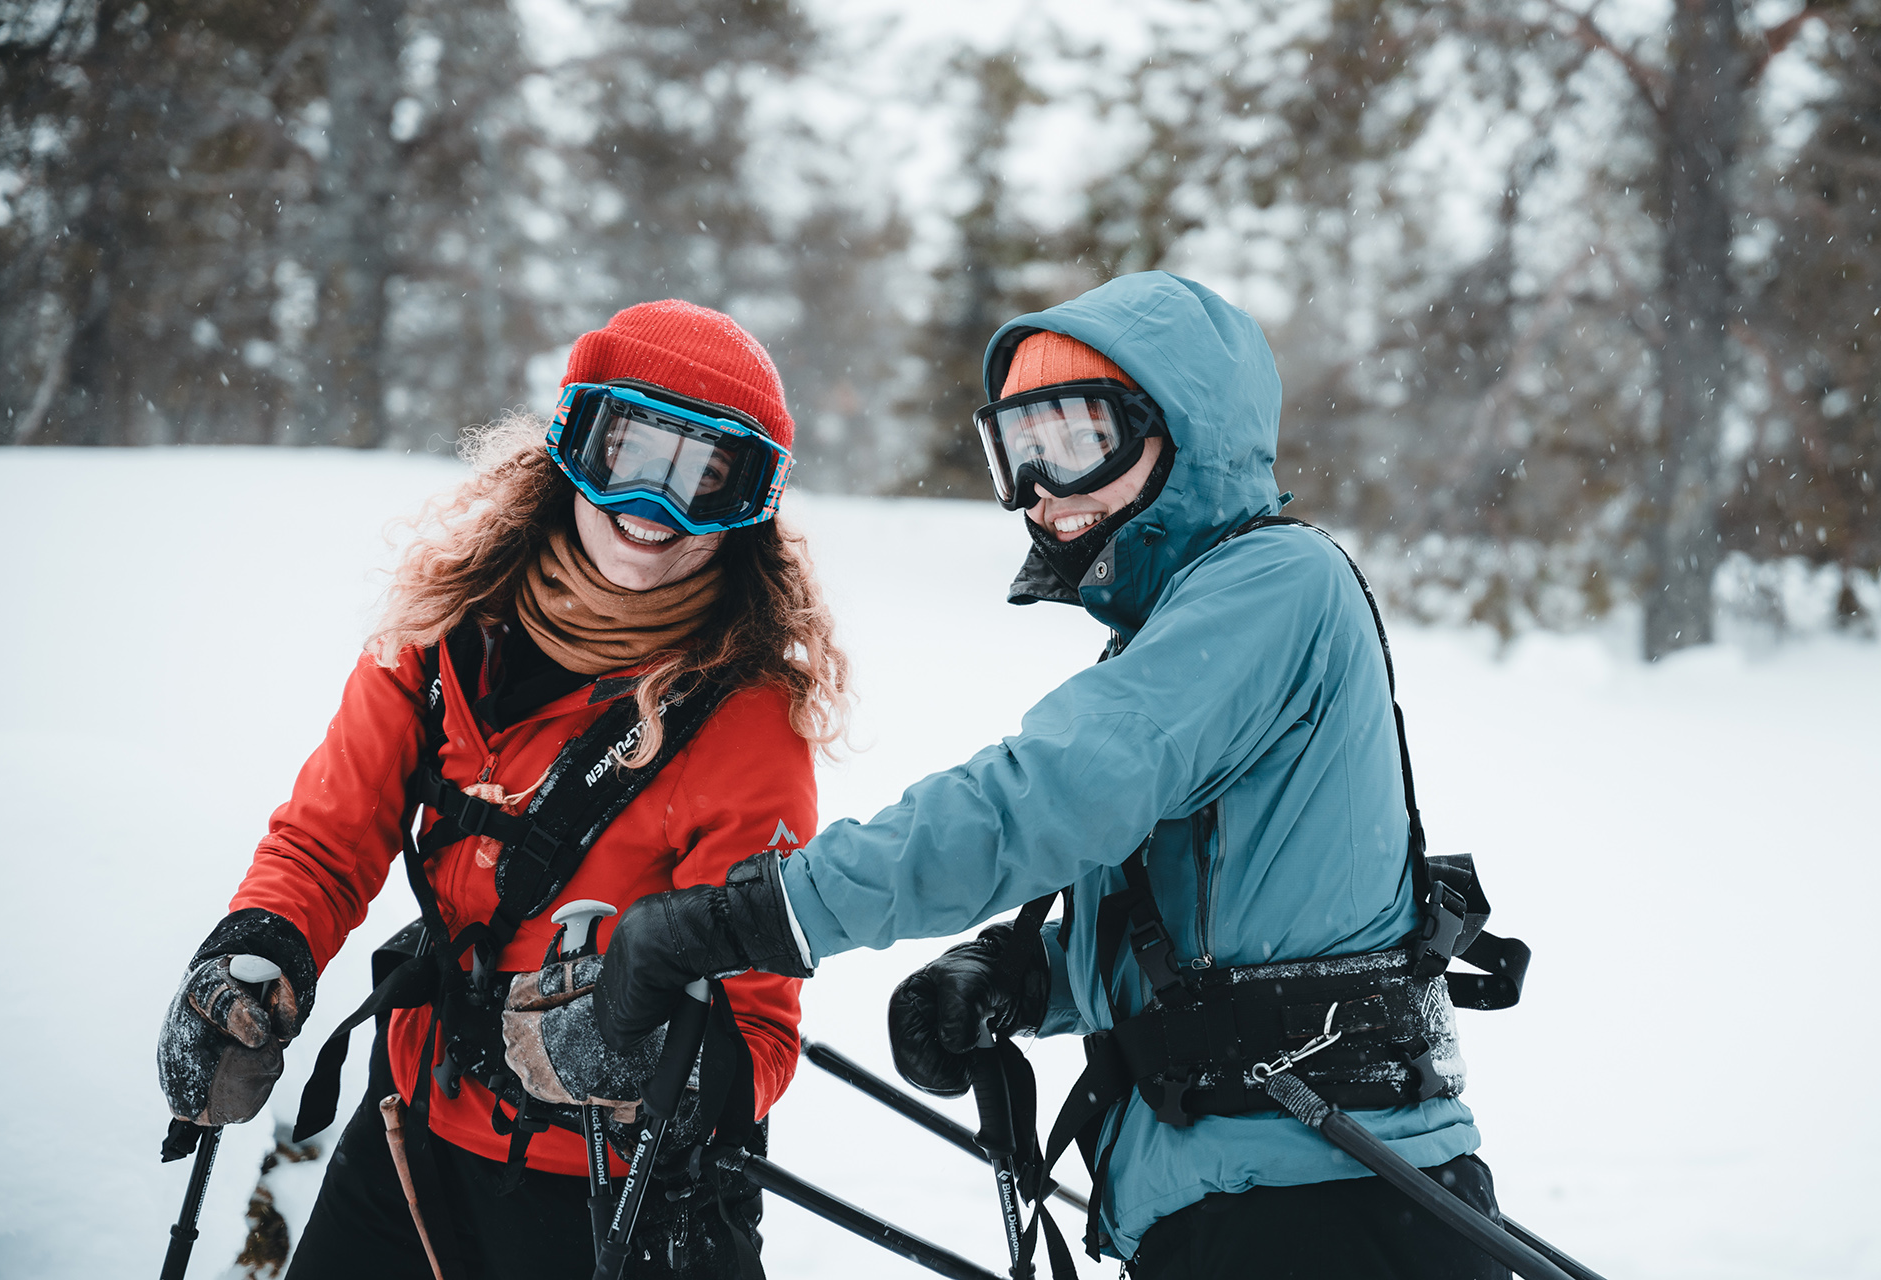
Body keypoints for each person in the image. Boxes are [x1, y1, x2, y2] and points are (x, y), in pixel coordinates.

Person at [567, 272, 1515, 1279]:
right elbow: (1224, 944)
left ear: (1182, 432)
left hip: (1329, 1209)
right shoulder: (1179, 629)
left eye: (1077, 439)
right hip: (1247, 1206)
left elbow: (1049, 797)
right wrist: (1028, 980)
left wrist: (755, 914)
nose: (1043, 489)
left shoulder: (1276, 584)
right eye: (1018, 449)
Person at [155, 299, 848, 1280]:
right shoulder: (446, 626)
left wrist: (643, 1055)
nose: (656, 506)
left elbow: (761, 1034)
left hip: (613, 1198)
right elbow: (327, 838)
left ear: (750, 503)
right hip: (409, 1127)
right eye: (631, 452)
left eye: (705, 476)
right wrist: (257, 948)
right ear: (574, 441)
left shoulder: (746, 719)